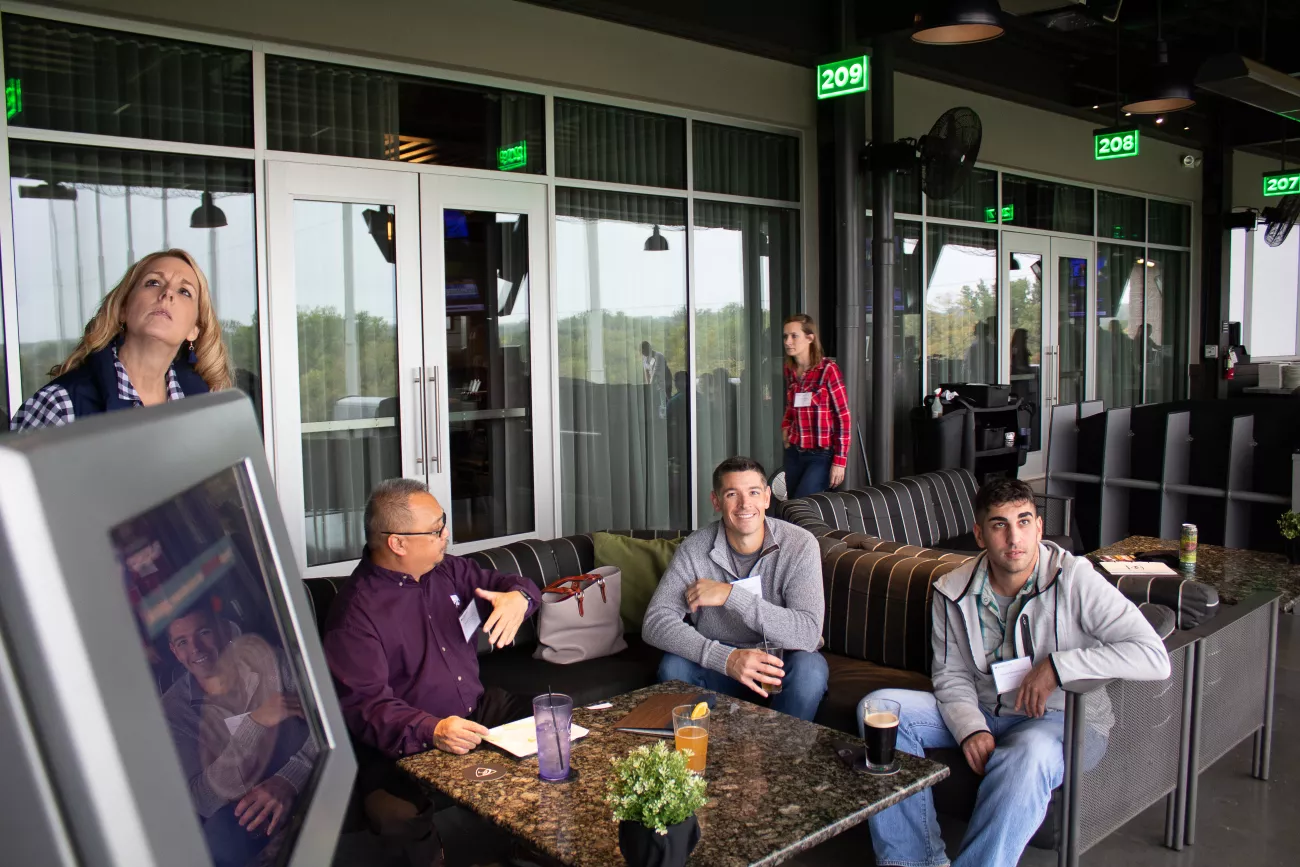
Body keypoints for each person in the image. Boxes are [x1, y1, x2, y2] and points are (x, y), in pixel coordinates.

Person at [862, 477, 1171, 867]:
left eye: (1024, 522)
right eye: (999, 525)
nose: (1014, 538)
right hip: (987, 710)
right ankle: (914, 861)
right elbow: (951, 675)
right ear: (979, 535)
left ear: (1039, 527)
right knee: (880, 708)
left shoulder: (1075, 579)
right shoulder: (952, 590)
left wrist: (1058, 667)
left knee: (1026, 753)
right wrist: (970, 726)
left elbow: (1153, 656)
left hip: (1063, 719)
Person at [322, 478, 541, 862]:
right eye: (437, 528)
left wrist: (519, 598)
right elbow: (366, 707)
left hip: (475, 709)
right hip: (401, 745)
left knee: (552, 724)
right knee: (397, 817)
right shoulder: (355, 614)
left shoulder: (449, 571)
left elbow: (509, 583)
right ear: (398, 543)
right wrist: (434, 729)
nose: (447, 535)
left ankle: (538, 849)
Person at [643, 456, 828, 722]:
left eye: (753, 492)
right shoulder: (695, 548)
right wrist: (726, 659)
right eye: (732, 494)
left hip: (779, 664)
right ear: (716, 502)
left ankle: (784, 758)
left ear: (766, 498)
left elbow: (809, 633)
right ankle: (701, 753)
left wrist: (731, 595)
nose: (744, 504)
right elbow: (656, 621)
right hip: (720, 665)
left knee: (810, 670)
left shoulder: (800, 545)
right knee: (673, 666)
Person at [160, 601, 318, 867]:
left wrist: (289, 780)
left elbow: (329, 721)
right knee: (217, 843)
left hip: (311, 782)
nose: (196, 648)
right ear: (174, 652)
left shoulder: (273, 662)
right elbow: (202, 799)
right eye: (183, 642)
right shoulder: (173, 712)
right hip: (248, 816)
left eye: (204, 633)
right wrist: (255, 723)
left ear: (223, 630)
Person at [10, 249, 231, 431]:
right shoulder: (60, 405)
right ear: (123, 309)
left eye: (184, 291)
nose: (167, 294)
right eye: (153, 283)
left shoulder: (202, 407)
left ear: (194, 330)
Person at [780, 314, 850, 498]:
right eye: (785, 336)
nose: (788, 341)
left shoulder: (828, 370)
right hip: (794, 452)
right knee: (793, 506)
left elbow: (843, 417)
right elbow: (790, 406)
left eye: (794, 336)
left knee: (804, 503)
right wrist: (786, 427)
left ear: (810, 338)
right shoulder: (790, 370)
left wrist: (839, 462)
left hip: (821, 455)